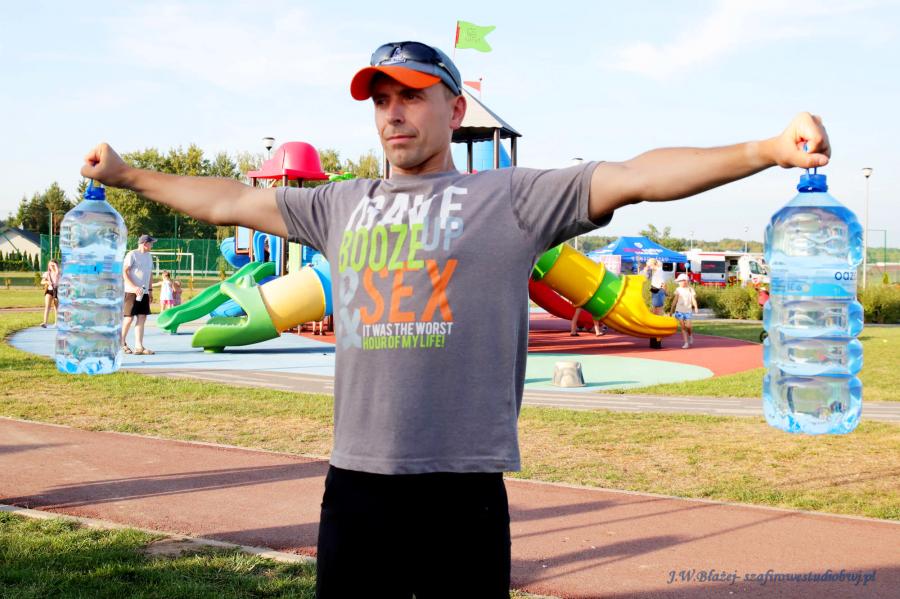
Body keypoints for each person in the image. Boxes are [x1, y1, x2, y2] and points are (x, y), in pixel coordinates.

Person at [80, 40, 830, 597]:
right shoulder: (340, 204)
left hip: (462, 489)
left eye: (411, 95)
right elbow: (228, 200)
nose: (393, 112)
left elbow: (636, 176)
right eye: (380, 99)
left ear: (455, 108)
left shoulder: (510, 199)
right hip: (357, 485)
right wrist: (124, 174)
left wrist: (766, 148)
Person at [122, 234, 156, 355]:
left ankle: (139, 346)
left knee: (142, 317)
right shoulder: (132, 254)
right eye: (151, 243)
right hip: (131, 292)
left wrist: (150, 290)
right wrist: (133, 287)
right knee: (129, 318)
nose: (152, 245)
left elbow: (150, 274)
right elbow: (124, 272)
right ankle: (121, 342)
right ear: (145, 243)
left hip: (144, 292)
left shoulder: (149, 256)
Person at [641, 258, 666, 348]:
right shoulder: (656, 271)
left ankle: (657, 335)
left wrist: (664, 292)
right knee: (655, 311)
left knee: (657, 312)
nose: (648, 266)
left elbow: (662, 284)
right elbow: (644, 278)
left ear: (652, 264)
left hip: (658, 292)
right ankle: (655, 335)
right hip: (655, 292)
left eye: (648, 265)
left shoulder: (659, 271)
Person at [670, 273, 699, 349]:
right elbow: (675, 300)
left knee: (688, 326)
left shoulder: (690, 289)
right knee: (683, 326)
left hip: (688, 310)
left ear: (686, 281)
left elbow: (693, 299)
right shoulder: (678, 290)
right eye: (679, 281)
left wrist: (696, 307)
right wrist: (671, 310)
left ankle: (690, 335)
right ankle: (686, 343)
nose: (679, 283)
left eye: (681, 281)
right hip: (679, 310)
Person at [40, 259, 60, 328]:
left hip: (57, 291)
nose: (52, 266)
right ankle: (45, 323)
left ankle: (56, 323)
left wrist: (55, 265)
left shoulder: (58, 273)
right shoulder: (47, 273)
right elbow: (42, 282)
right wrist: (47, 282)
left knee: (56, 307)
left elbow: (57, 272)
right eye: (50, 265)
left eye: (53, 265)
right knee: (47, 306)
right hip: (49, 290)